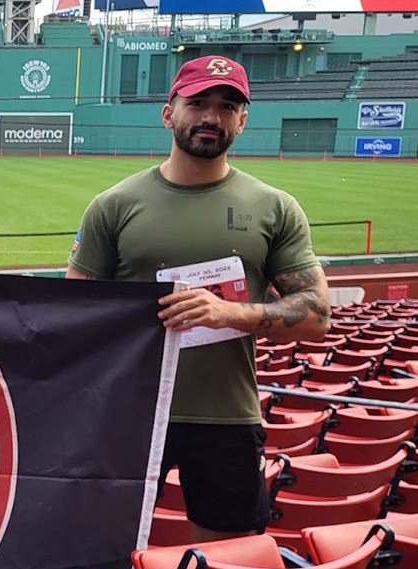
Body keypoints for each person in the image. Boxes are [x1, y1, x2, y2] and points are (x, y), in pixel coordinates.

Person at [66, 55, 330, 542]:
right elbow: (72, 312)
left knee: (227, 558)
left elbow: (317, 314)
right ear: (169, 113)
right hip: (129, 412)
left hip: (226, 414)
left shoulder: (274, 207)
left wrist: (232, 312)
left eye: (227, 106)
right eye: (198, 103)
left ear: (242, 120)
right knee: (97, 550)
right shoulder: (115, 205)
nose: (211, 117)